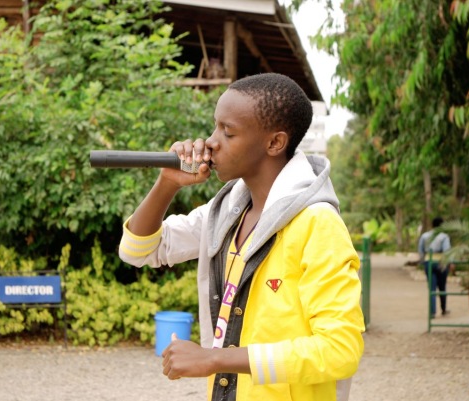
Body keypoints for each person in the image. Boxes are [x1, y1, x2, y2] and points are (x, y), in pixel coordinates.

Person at [119, 73, 365, 401]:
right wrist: (168, 182)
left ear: (275, 143)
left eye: (228, 132)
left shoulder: (317, 224)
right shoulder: (226, 212)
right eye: (214, 127)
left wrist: (215, 359)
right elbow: (138, 251)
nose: (210, 142)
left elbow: (339, 350)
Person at [418, 216, 452, 318]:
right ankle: (443, 309)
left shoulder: (424, 236)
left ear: (432, 225)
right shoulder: (444, 236)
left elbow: (421, 250)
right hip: (440, 262)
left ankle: (432, 312)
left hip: (429, 261)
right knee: (442, 287)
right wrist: (450, 262)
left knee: (432, 289)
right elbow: (447, 251)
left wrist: (422, 261)